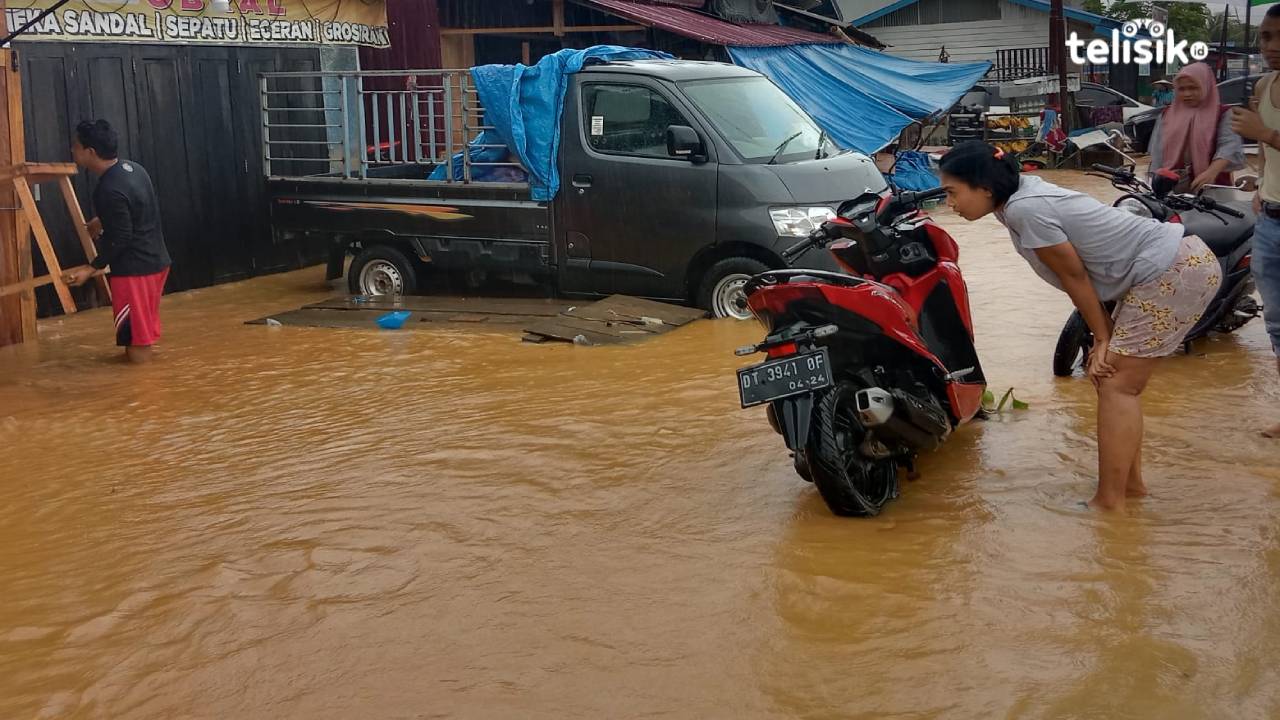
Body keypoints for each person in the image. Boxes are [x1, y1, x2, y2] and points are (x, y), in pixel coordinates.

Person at [938, 142, 1223, 510]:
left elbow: (1075, 277)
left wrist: (1102, 337)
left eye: (951, 192)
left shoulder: (1026, 209)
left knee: (1117, 385)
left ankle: (1110, 502)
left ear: (985, 188)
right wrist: (1100, 334)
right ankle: (1130, 489)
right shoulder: (1015, 201)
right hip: (1168, 265)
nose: (950, 204)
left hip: (1171, 270)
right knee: (1117, 384)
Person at [64, 119, 171, 364]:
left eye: (76, 146)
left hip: (135, 272)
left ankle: (140, 396)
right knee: (142, 332)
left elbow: (122, 238)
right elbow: (134, 206)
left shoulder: (107, 189)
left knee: (135, 339)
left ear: (90, 152)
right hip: (156, 263)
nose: (72, 150)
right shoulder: (133, 169)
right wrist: (101, 221)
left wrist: (91, 268)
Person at [1229, 3, 1280, 438]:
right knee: (1277, 323)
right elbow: (1265, 153)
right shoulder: (1263, 86)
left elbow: (1266, 138)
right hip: (1271, 220)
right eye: (1266, 37)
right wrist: (1262, 187)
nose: (1272, 46)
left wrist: (1264, 133)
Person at [1146, 63, 1246, 192]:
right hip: (1173, 187)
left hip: (1213, 188)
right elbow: (1158, 153)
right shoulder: (1167, 115)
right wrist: (1156, 183)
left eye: (1193, 88)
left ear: (1206, 86)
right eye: (1181, 89)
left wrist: (1211, 172)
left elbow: (1229, 146)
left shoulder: (1222, 114)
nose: (1187, 94)